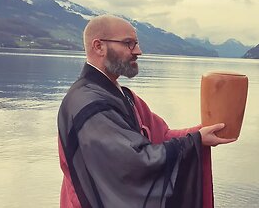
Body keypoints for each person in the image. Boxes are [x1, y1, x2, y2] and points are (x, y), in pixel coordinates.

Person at [57, 15, 236, 208]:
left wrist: (201, 134)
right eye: (129, 44)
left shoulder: (124, 96)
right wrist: (194, 142)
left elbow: (161, 136)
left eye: (136, 43)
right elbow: (132, 163)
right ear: (99, 46)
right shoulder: (88, 105)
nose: (138, 51)